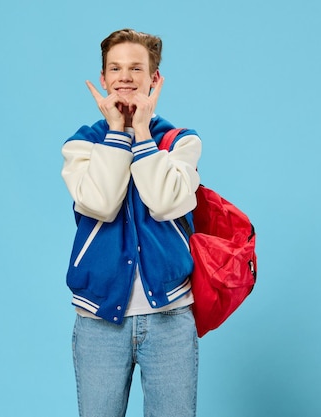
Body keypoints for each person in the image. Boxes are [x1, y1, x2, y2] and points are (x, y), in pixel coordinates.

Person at [60, 28, 202, 417]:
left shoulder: (181, 142)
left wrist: (141, 132)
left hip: (171, 319)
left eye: (136, 68)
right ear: (103, 78)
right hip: (99, 320)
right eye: (116, 68)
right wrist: (116, 133)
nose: (125, 76)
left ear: (154, 79)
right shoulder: (81, 145)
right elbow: (101, 204)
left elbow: (163, 202)